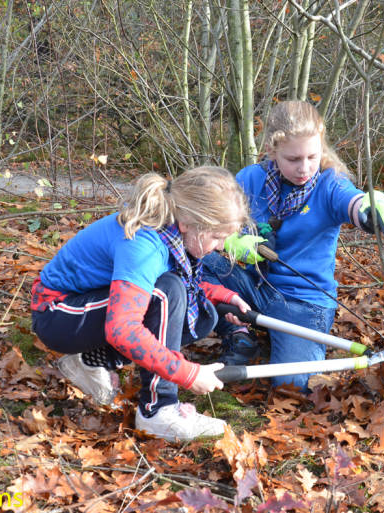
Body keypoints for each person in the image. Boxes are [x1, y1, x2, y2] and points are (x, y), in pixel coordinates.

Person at [30, 166, 252, 441]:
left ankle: (91, 360)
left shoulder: (172, 231)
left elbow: (171, 279)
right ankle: (158, 411)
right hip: (57, 314)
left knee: (204, 315)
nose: (220, 246)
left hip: (87, 306)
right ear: (187, 223)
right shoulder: (144, 246)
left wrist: (221, 295)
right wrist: (187, 373)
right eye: (217, 237)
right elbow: (122, 329)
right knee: (168, 292)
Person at [203, 100, 384, 390]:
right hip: (253, 287)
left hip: (303, 304)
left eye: (312, 156)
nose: (305, 168)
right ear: (272, 151)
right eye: (293, 159)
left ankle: (277, 338)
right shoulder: (250, 178)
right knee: (196, 262)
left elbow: (351, 202)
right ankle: (238, 335)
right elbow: (210, 220)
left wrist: (369, 208)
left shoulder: (330, 184)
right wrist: (231, 240)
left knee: (291, 385)